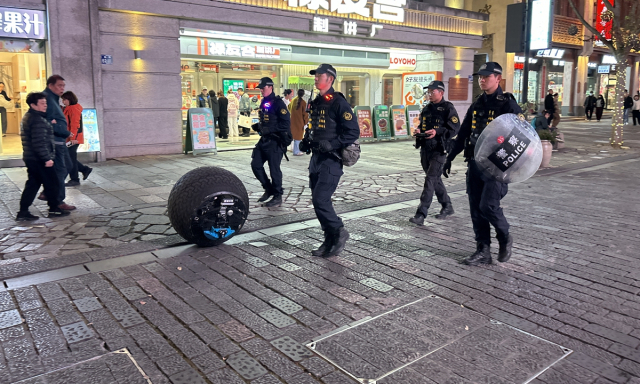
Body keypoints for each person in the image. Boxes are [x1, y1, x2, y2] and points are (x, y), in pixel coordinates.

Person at [443, 62, 522, 266]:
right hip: (475, 164)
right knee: (475, 209)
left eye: (487, 76)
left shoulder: (508, 104)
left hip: (497, 167)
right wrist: (449, 157)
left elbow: (522, 137)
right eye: (480, 77)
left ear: (498, 79)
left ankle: (504, 236)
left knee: (488, 206)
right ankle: (483, 250)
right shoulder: (477, 103)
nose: (482, 79)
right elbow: (463, 134)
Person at [300, 64, 359, 257]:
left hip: (331, 161)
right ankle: (329, 239)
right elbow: (316, 128)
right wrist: (307, 142)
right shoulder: (317, 101)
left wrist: (333, 144)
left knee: (320, 199)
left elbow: (353, 131)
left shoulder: (338, 103)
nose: (316, 79)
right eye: (315, 76)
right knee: (318, 202)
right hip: (316, 159)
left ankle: (340, 232)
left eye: (319, 76)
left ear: (330, 79)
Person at [409, 80, 460, 226]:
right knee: (434, 179)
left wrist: (437, 132)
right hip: (426, 149)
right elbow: (422, 125)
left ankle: (421, 213)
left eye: (432, 92)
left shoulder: (447, 108)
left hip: (439, 149)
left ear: (441, 92)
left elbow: (455, 128)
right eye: (428, 92)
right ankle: (447, 205)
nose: (429, 94)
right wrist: (419, 131)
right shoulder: (426, 109)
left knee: (430, 180)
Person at [16, 92, 69, 220]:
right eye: (42, 103)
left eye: (45, 103)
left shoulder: (32, 117)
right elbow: (39, 142)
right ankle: (54, 208)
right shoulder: (36, 119)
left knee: (33, 184)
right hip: (39, 159)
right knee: (52, 183)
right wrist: (47, 158)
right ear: (33, 105)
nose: (45, 105)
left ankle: (23, 212)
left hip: (33, 158)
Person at [250, 77, 290, 208]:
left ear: (270, 87)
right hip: (264, 140)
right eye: (260, 88)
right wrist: (259, 127)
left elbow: (285, 124)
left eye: (263, 87)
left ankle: (277, 195)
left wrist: (269, 129)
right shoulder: (264, 101)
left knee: (274, 169)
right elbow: (266, 120)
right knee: (255, 164)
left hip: (275, 141)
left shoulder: (278, 103)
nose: (261, 90)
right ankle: (268, 188)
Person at [43, 75, 75, 211]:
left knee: (66, 167)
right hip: (55, 141)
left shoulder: (54, 99)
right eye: (59, 85)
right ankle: (57, 200)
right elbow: (47, 121)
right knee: (61, 169)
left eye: (63, 86)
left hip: (59, 140)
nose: (62, 88)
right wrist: (63, 130)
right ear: (51, 85)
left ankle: (51, 194)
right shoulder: (47, 99)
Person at [61, 91, 92, 186]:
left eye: (64, 99)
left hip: (73, 138)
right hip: (71, 137)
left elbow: (75, 125)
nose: (63, 101)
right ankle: (84, 170)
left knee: (70, 159)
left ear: (69, 99)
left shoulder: (74, 109)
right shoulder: (69, 108)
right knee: (70, 158)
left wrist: (72, 138)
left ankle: (75, 179)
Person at [288, 89, 308, 156]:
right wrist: (306, 122)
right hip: (300, 122)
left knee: (293, 136)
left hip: (292, 121)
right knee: (298, 137)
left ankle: (294, 149)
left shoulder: (293, 100)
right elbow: (305, 114)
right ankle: (296, 151)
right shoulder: (303, 103)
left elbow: (288, 107)